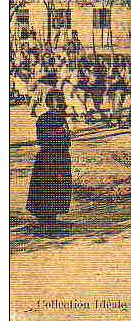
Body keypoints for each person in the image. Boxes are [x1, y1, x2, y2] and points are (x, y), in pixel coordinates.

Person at [26, 89, 73, 231]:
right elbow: (43, 139)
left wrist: (63, 136)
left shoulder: (62, 118)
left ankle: (52, 217)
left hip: (62, 156)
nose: (60, 104)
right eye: (56, 102)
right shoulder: (43, 119)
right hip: (48, 158)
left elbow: (67, 139)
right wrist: (59, 135)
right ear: (49, 103)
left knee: (59, 187)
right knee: (46, 186)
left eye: (61, 101)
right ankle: (44, 218)